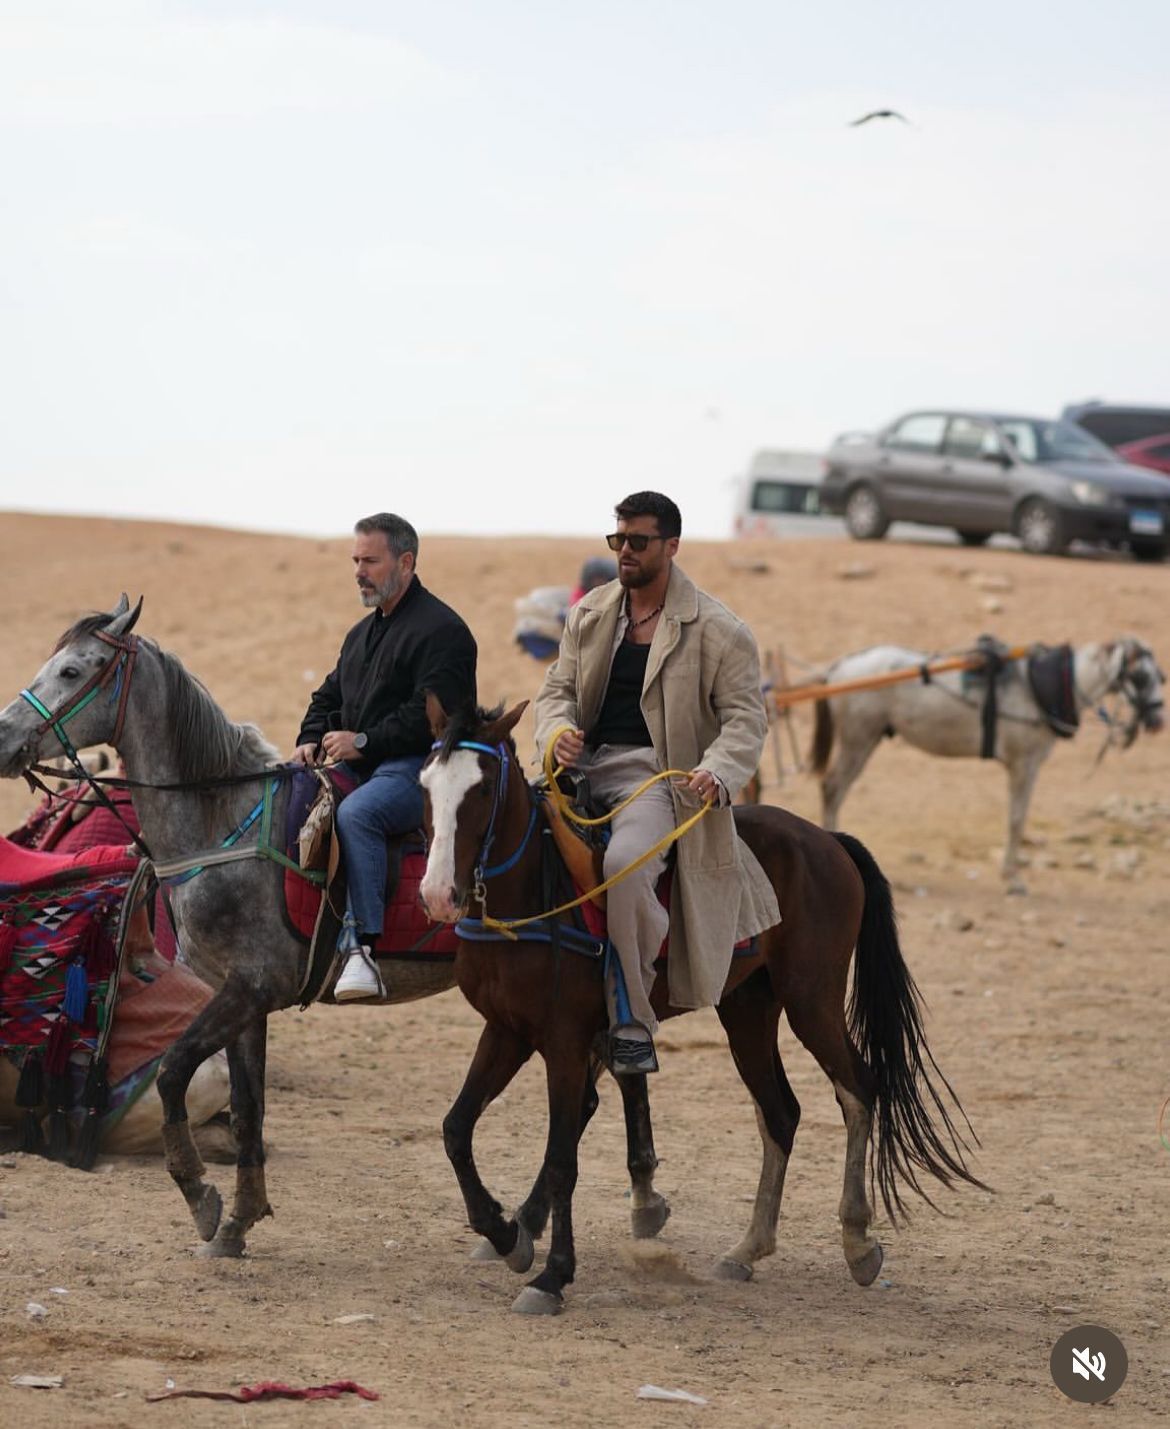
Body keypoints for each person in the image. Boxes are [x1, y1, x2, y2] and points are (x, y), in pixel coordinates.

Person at [534, 492, 779, 1072]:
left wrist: (717, 770)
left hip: (656, 779)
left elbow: (747, 719)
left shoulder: (721, 630)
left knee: (623, 865)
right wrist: (556, 733)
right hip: (576, 770)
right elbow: (556, 690)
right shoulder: (591, 613)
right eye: (617, 540)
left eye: (638, 542)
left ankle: (631, 1020)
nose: (624, 552)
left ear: (671, 546)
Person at [293, 513, 477, 1000]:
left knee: (360, 813)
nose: (359, 570)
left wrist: (365, 742)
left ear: (406, 561)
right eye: (356, 560)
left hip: (424, 771)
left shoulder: (444, 631)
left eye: (370, 560)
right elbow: (326, 696)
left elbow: (430, 716)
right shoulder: (360, 635)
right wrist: (310, 737)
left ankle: (361, 948)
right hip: (360, 765)